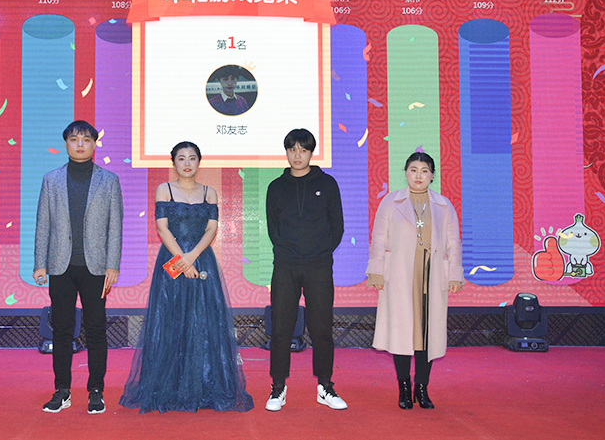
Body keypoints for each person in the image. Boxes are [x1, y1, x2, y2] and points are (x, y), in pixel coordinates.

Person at [119, 142, 254, 413]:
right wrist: (182, 260)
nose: (187, 163)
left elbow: (211, 230)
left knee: (203, 320)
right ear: (174, 163)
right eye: (181, 158)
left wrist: (191, 258)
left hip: (201, 260)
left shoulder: (209, 192)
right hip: (172, 259)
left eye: (192, 158)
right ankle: (169, 387)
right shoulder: (164, 190)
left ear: (199, 162)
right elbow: (163, 228)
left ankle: (203, 386)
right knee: (171, 319)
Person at [35, 120, 123, 415]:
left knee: (96, 328)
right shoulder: (51, 180)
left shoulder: (109, 180)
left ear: (94, 144)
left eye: (86, 139)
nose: (80, 144)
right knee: (61, 329)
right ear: (66, 144)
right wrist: (40, 264)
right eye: (74, 139)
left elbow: (115, 226)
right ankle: (62, 390)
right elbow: (43, 224)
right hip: (60, 266)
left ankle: (96, 390)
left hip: (96, 268)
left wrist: (113, 264)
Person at [366, 152, 464, 410]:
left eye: (424, 170)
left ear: (432, 175)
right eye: (413, 170)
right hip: (400, 276)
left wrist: (455, 274)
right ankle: (404, 387)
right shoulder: (391, 202)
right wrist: (376, 271)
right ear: (406, 172)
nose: (418, 175)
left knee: (427, 335)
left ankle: (422, 387)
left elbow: (454, 243)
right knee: (401, 333)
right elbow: (379, 238)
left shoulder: (443, 205)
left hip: (431, 276)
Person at [265, 129, 347, 412]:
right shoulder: (276, 187)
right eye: (292, 150)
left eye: (303, 150)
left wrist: (320, 252)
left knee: (322, 328)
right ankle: (278, 387)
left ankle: (325, 386)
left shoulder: (327, 183)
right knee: (281, 329)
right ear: (286, 152)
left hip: (319, 266)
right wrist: (287, 252)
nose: (297, 155)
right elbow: (273, 229)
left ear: (312, 152)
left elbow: (337, 226)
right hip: (285, 266)